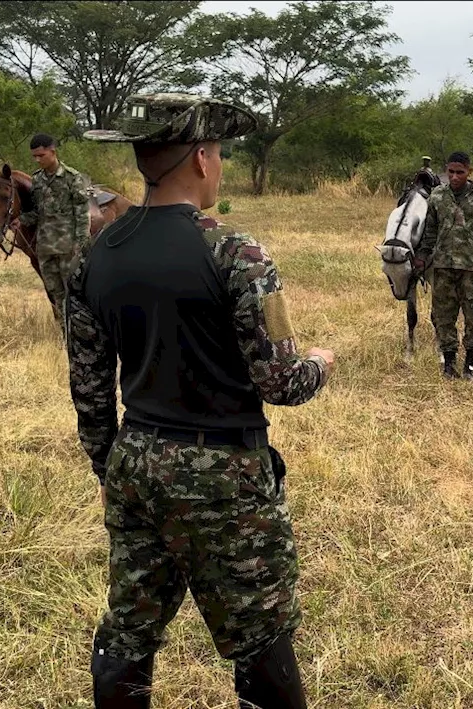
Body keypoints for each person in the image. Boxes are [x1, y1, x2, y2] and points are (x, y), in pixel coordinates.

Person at [67, 93, 335, 708]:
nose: (219, 166)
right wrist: (321, 363)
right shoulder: (236, 254)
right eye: (217, 154)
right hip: (225, 472)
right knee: (260, 634)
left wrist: (109, 465)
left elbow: (88, 388)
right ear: (200, 158)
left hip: (134, 461)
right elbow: (282, 383)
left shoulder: (94, 257)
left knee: (129, 630)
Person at [412, 151, 473, 380]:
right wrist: (421, 257)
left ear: (469, 172)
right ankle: (449, 363)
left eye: (460, 172)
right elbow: (429, 233)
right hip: (442, 267)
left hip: (471, 268)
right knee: (443, 316)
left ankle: (470, 364)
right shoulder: (437, 196)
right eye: (450, 172)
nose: (454, 177)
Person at [14, 133, 92, 333]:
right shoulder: (37, 180)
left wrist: (82, 244)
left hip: (68, 248)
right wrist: (19, 220)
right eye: (34, 157)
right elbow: (37, 214)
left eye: (41, 155)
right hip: (46, 248)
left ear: (52, 151)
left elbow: (82, 213)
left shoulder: (71, 178)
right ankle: (65, 333)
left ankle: (80, 332)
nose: (38, 160)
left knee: (73, 292)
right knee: (55, 293)